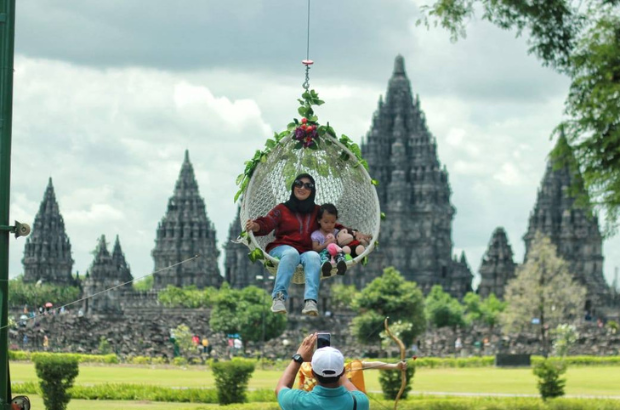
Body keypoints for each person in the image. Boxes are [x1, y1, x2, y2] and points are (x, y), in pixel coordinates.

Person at [245, 173, 323, 316]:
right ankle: (279, 297)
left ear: (312, 190)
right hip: (282, 248)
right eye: (299, 184)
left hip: (306, 251)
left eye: (308, 186)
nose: (302, 188)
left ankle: (310, 300)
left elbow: (332, 226)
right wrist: (255, 226)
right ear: (293, 187)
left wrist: (354, 235)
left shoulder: (318, 211)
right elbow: (267, 224)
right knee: (291, 253)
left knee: (314, 257)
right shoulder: (282, 209)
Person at [276, 333, 369, 410]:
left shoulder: (296, 401)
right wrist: (335, 366)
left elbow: (281, 388)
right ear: (342, 371)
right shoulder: (359, 402)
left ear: (312, 372)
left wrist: (298, 357)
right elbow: (349, 386)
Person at [298, 358, 407, 393]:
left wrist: (394, 366)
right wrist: (394, 366)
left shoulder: (305, 368)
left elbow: (369, 364)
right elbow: (368, 364)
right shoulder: (357, 401)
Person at [311, 203, 347, 277]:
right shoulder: (316, 234)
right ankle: (326, 267)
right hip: (323, 254)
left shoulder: (337, 232)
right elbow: (315, 249)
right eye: (326, 222)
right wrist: (326, 244)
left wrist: (337, 243)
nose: (329, 225)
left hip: (335, 253)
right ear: (319, 220)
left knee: (341, 253)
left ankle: (341, 265)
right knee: (322, 256)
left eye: (332, 222)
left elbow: (343, 242)